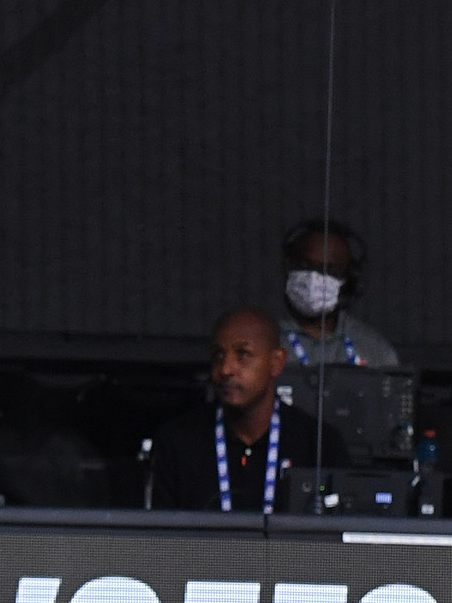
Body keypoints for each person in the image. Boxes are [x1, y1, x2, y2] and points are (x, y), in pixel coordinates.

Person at [151, 309, 328, 513]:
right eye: (218, 355)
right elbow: (162, 538)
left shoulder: (319, 443)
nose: (225, 369)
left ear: (276, 362)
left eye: (242, 354)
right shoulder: (178, 441)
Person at [278, 218, 399, 369]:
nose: (314, 278)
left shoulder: (375, 351)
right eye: (305, 266)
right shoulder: (262, 342)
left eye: (329, 270)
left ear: (349, 283)